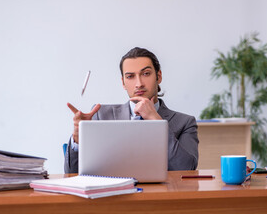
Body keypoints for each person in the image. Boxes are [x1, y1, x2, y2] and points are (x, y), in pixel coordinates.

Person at [64, 47, 199, 173]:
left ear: (159, 76)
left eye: (146, 74)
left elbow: (186, 169)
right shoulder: (100, 115)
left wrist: (156, 121)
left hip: (161, 196)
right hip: (113, 195)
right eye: (130, 76)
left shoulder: (185, 122)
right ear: (123, 82)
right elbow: (71, 173)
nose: (139, 83)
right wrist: (77, 137)